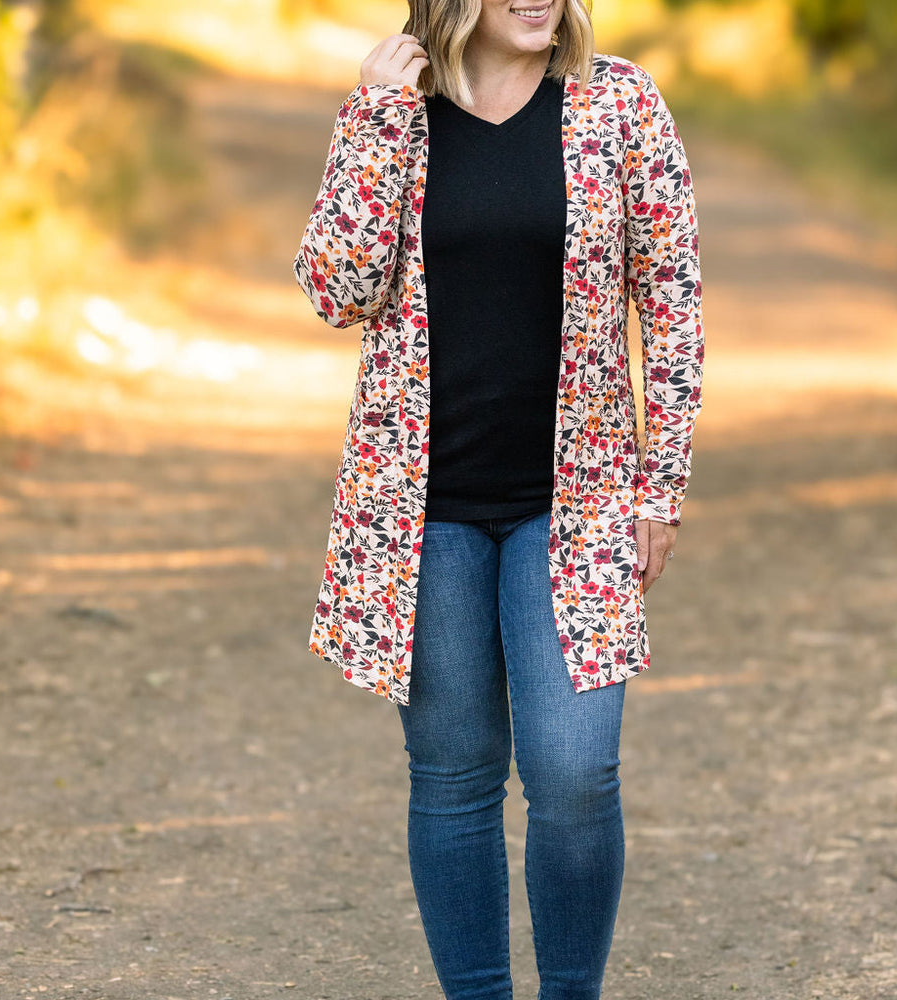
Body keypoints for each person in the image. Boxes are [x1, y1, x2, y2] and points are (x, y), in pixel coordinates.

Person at [292, 1, 704, 997]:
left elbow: (673, 298)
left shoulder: (618, 104)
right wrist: (375, 121)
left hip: (580, 502)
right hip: (418, 510)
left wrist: (661, 481)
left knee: (572, 772)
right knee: (453, 772)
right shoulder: (399, 108)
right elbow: (335, 290)